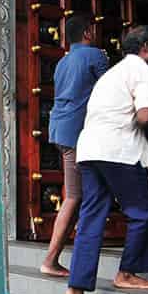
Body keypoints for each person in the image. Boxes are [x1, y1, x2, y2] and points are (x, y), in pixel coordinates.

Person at [65, 25, 148, 294]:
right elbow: (145, 114)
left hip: (90, 149)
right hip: (117, 149)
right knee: (143, 209)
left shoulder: (112, 74)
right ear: (145, 47)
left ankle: (75, 288)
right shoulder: (143, 71)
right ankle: (127, 273)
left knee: (91, 216)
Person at [41, 14, 108, 277]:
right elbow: (110, 88)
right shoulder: (94, 56)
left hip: (60, 131)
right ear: (88, 33)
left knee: (77, 194)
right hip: (78, 135)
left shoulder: (62, 62)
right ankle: (50, 259)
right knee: (74, 196)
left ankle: (58, 257)